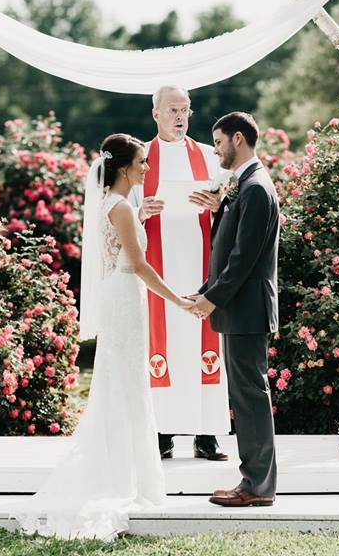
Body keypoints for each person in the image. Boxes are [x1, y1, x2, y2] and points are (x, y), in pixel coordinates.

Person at [14, 133, 196, 541]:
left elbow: (122, 244)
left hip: (120, 292)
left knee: (121, 383)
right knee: (129, 384)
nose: (147, 168)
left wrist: (140, 217)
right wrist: (177, 301)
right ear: (124, 167)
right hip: (128, 294)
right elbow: (142, 265)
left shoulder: (112, 205)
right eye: (143, 162)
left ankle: (121, 469)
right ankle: (127, 478)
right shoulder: (123, 209)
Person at [130, 85, 232, 462]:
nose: (180, 116)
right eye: (172, 109)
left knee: (205, 346)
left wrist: (218, 203)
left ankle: (207, 435)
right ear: (155, 113)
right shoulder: (140, 157)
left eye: (185, 109)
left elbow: (230, 203)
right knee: (162, 346)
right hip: (159, 269)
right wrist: (141, 213)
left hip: (202, 265)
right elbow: (125, 209)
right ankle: (162, 433)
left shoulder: (208, 156)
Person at [188, 112, 280, 507]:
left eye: (219, 141)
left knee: (250, 397)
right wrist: (206, 290)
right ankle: (253, 481)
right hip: (238, 308)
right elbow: (227, 249)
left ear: (238, 139)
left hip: (247, 309)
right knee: (245, 396)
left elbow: (244, 259)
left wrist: (212, 297)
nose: (216, 150)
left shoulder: (257, 188)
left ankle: (257, 486)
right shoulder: (244, 188)